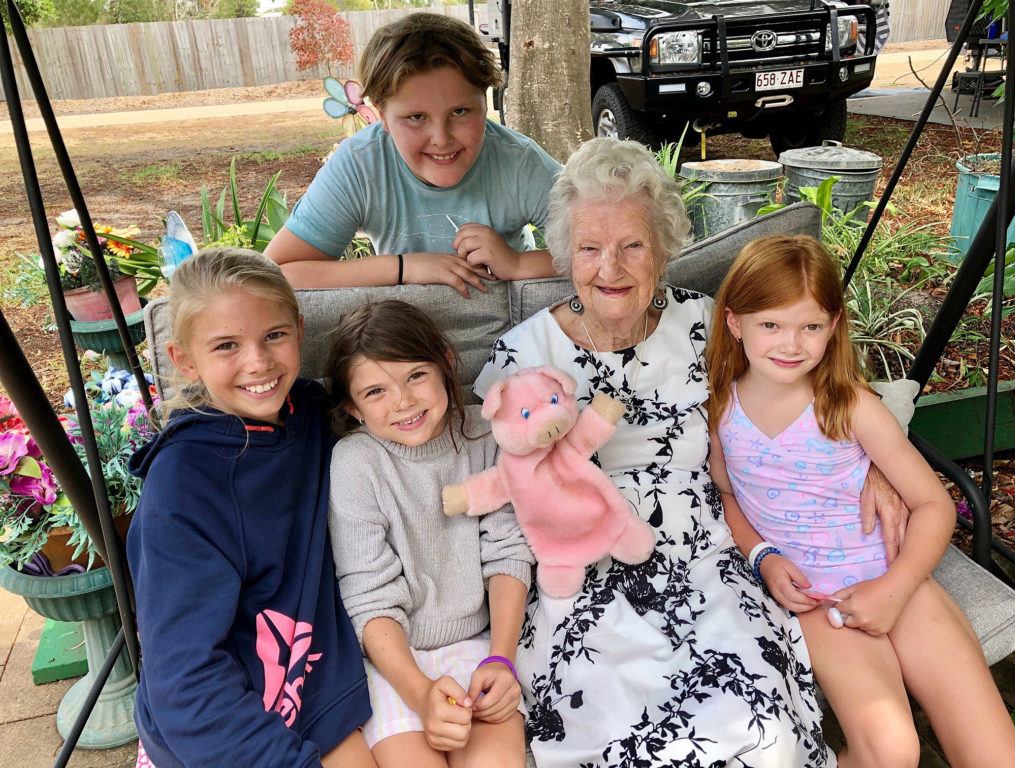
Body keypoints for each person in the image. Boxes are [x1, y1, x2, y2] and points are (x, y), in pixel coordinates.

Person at [475, 137, 838, 766]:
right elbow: (481, 482)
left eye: (632, 245)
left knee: (760, 735)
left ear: (664, 248)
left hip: (710, 563)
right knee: (621, 736)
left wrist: (878, 472)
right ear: (566, 255)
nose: (609, 268)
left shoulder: (707, 326)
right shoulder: (521, 358)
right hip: (585, 577)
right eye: (589, 248)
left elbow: (803, 402)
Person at [705, 235, 1015, 768]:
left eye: (810, 326)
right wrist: (763, 557)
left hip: (898, 577)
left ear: (833, 326)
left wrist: (894, 590)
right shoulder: (721, 409)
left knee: (998, 756)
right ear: (735, 323)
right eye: (771, 325)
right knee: (892, 751)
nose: (791, 344)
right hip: (818, 597)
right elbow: (727, 496)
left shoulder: (849, 406)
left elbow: (933, 505)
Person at [126, 248, 374, 768]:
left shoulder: (311, 414)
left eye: (274, 336)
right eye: (226, 346)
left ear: (300, 332)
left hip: (312, 687)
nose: (258, 362)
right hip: (224, 729)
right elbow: (184, 678)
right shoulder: (181, 488)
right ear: (185, 360)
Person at [324, 300, 534, 768]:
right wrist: (420, 696)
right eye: (375, 391)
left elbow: (509, 553)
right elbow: (368, 596)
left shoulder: (487, 435)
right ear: (352, 408)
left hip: (481, 648)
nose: (403, 400)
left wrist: (501, 660)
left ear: (446, 363)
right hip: (395, 664)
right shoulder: (356, 462)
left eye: (416, 375)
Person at [265, 13, 561, 297]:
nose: (442, 138)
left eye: (459, 112)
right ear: (381, 115)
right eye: (416, 117)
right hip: (406, 335)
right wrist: (404, 267)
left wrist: (518, 263)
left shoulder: (519, 162)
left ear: (485, 102)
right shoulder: (360, 166)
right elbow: (276, 274)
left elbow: (603, 255)